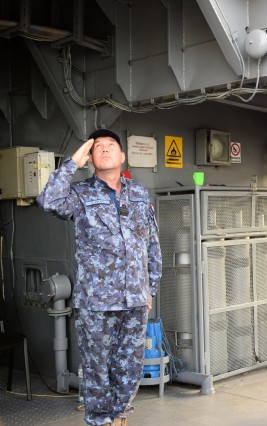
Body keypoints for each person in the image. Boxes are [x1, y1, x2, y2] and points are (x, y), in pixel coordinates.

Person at [37, 129, 162, 426]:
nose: (105, 149)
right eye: (98, 147)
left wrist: (151, 288)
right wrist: (72, 163)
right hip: (95, 301)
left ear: (123, 156)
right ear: (91, 158)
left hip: (135, 298)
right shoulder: (80, 194)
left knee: (129, 367)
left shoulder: (139, 194)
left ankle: (119, 418)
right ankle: (99, 421)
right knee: (97, 369)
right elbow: (48, 201)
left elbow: (151, 243)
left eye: (111, 145)